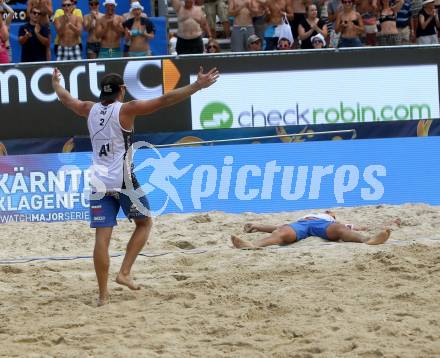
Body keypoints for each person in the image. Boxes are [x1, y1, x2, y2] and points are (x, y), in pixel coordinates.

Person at [51, 66, 219, 306]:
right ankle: (124, 272)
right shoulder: (126, 110)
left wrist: (57, 82)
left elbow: (66, 99)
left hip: (98, 179)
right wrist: (197, 85)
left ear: (102, 92)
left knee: (102, 238)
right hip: (123, 179)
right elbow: (165, 100)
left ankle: (102, 296)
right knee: (144, 222)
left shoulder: (88, 109)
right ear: (121, 90)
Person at [231, 210, 392, 249]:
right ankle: (253, 245)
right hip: (302, 225)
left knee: (342, 230)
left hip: (323, 227)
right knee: (282, 233)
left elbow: (358, 227)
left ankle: (369, 240)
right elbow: (278, 227)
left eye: (331, 212)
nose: (330, 211)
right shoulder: (309, 215)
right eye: (329, 211)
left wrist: (391, 224)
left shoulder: (333, 220)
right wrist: (257, 226)